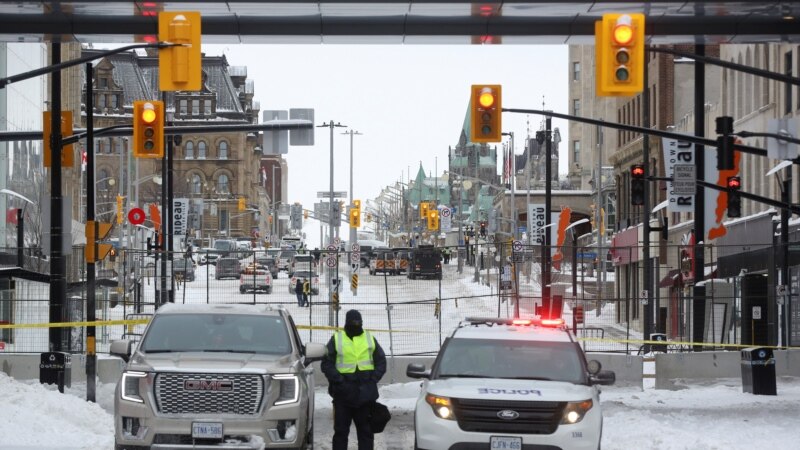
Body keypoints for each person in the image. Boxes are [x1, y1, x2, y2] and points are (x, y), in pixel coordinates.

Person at [321, 310, 387, 450]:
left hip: (365, 396)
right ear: (347, 323)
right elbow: (326, 363)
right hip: (343, 396)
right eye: (353, 322)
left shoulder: (369, 338)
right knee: (341, 433)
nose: (356, 325)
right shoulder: (337, 338)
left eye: (359, 322)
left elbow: (381, 361)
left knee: (366, 434)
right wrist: (338, 380)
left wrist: (373, 379)